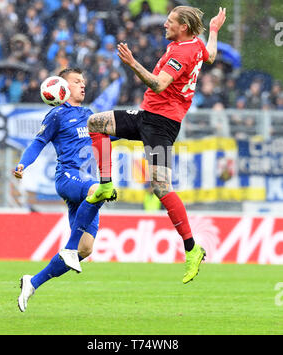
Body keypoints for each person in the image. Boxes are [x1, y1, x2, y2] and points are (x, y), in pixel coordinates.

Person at [85, 6, 226, 284]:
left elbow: (160, 85)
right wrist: (214, 30)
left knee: (161, 188)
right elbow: (210, 55)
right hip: (148, 117)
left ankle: (192, 248)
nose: (165, 24)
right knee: (95, 123)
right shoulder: (194, 44)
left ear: (183, 26)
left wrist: (132, 63)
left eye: (170, 21)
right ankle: (104, 184)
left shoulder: (181, 52)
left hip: (161, 125)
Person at [13, 68, 116, 312]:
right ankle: (68, 248)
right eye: (77, 81)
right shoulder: (57, 114)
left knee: (86, 249)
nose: (83, 85)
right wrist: (22, 164)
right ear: (61, 86)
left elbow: (106, 139)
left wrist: (138, 132)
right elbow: (39, 142)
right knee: (99, 188)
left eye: (84, 80)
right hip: (69, 178)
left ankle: (33, 282)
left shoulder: (90, 115)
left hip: (84, 184)